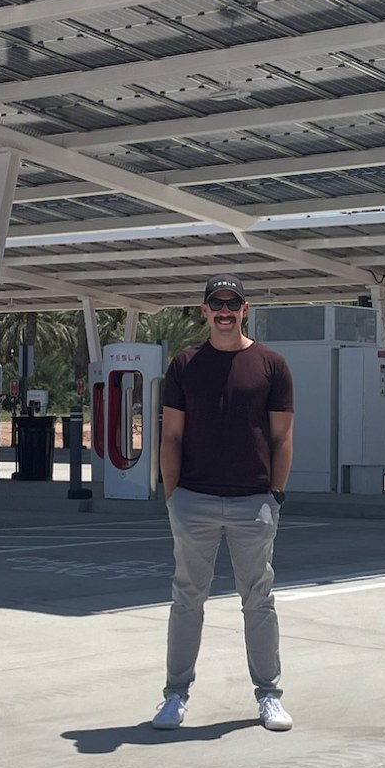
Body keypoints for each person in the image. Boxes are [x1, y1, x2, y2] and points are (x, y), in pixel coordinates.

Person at [151, 276, 295, 732]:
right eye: (217, 303)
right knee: (186, 600)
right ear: (205, 310)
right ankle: (175, 696)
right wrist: (173, 497)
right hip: (193, 500)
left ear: (245, 308)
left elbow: (282, 437)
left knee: (259, 601)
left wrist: (274, 495)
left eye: (232, 303)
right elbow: (170, 435)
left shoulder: (271, 365)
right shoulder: (185, 364)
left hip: (253, 502)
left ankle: (269, 695)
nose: (225, 310)